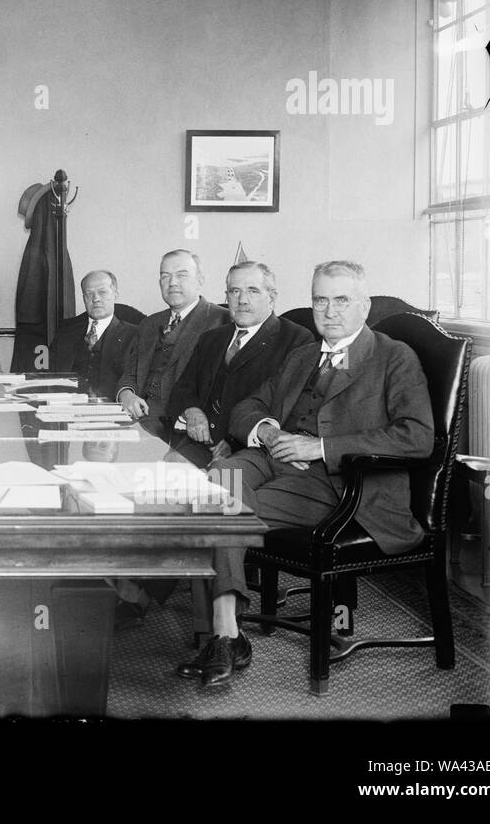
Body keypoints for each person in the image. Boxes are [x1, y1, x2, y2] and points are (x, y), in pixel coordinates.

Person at [177, 260, 434, 689]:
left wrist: (321, 447)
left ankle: (226, 637)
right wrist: (268, 429)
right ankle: (228, 633)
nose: (329, 311)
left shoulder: (394, 357)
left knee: (221, 501)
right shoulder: (302, 356)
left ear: (364, 306)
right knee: (215, 482)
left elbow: (418, 437)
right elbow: (247, 408)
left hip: (339, 484)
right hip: (273, 459)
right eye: (320, 300)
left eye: (341, 300)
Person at [165, 262, 313, 469]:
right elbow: (183, 388)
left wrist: (235, 442)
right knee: (166, 474)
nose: (242, 300)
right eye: (235, 291)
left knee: (219, 489)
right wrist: (192, 412)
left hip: (250, 449)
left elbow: (286, 408)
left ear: (271, 297)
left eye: (253, 291)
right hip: (198, 442)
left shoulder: (296, 340)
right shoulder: (211, 338)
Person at [116, 249, 227, 437]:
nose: (172, 283)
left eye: (182, 275)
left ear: (200, 280)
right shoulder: (149, 324)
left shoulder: (222, 321)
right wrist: (126, 393)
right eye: (165, 276)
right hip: (135, 420)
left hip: (181, 426)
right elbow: (130, 373)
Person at [50, 269, 137, 398]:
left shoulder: (134, 336)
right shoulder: (64, 334)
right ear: (84, 298)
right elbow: (47, 376)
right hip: (64, 408)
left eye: (102, 292)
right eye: (89, 293)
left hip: (112, 411)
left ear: (115, 294)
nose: (95, 299)